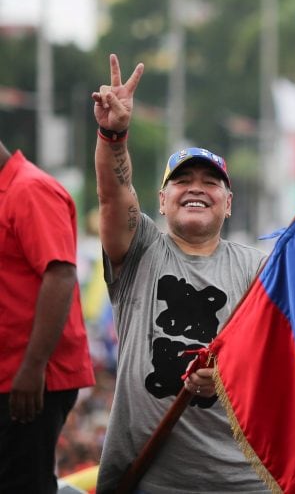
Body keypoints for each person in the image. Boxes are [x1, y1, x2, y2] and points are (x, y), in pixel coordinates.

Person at [91, 54, 270, 493]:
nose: (195, 187)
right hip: (148, 477)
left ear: (228, 204)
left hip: (241, 479)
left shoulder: (260, 269)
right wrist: (114, 134)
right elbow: (114, 194)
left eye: (210, 183)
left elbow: (278, 362)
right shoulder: (140, 251)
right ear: (161, 199)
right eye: (182, 179)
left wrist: (225, 380)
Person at [0, 139, 95, 493]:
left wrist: (32, 367)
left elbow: (60, 274)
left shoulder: (30, 189)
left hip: (32, 379)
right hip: (13, 373)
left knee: (23, 483)